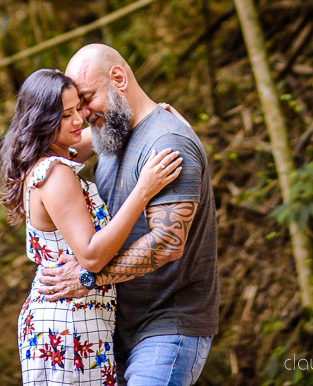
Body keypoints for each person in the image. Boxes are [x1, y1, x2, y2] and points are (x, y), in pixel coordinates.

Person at [38, 45, 219, 386]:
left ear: (118, 78)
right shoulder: (111, 132)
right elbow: (45, 151)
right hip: (113, 328)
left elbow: (167, 243)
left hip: (168, 327)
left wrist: (89, 277)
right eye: (75, 108)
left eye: (87, 99)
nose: (83, 114)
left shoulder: (167, 142)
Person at [0, 67, 184, 384]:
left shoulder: (50, 156)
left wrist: (158, 118)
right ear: (42, 120)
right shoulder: (55, 175)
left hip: (76, 320)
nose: (78, 120)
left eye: (78, 109)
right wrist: (143, 190)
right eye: (65, 114)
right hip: (68, 327)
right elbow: (92, 256)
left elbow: (104, 133)